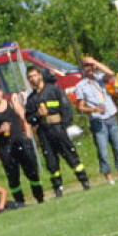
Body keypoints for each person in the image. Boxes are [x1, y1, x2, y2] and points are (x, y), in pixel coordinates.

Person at [24, 65, 89, 196]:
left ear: (40, 75)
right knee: (51, 162)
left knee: (71, 156)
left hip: (58, 128)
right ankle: (58, 188)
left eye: (34, 75)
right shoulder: (31, 99)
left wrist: (65, 127)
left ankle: (84, 181)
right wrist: (37, 114)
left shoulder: (54, 90)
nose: (32, 79)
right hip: (44, 132)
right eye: (29, 77)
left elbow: (66, 108)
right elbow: (29, 118)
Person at [0, 85, 44, 205]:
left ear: (1, 92)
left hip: (21, 142)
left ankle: (40, 198)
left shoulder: (12, 104)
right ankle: (19, 202)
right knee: (13, 177)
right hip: (5, 147)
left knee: (31, 172)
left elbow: (24, 118)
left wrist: (28, 136)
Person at [73, 56, 118, 184]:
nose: (89, 68)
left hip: (111, 115)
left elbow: (111, 73)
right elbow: (80, 107)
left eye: (90, 66)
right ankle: (108, 176)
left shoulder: (100, 78)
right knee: (103, 151)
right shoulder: (81, 86)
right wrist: (93, 110)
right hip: (97, 120)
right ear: (83, 69)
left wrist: (95, 62)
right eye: (86, 66)